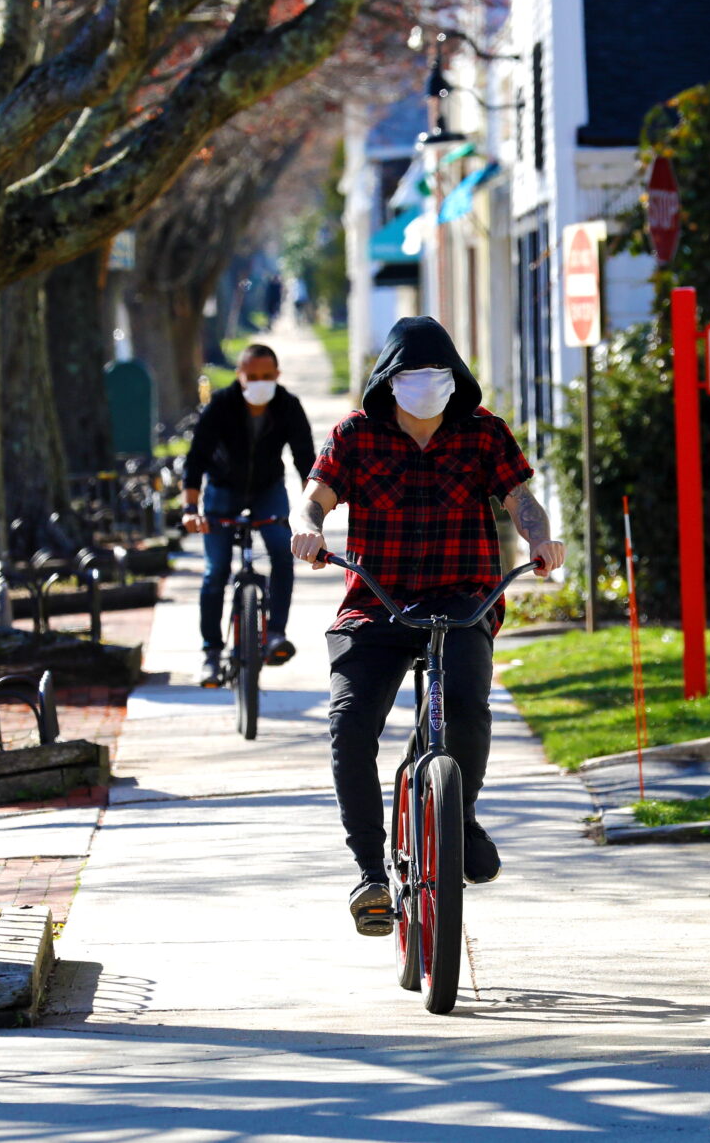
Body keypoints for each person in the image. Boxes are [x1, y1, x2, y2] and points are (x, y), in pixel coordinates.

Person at [291, 317, 565, 935]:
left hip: (462, 600)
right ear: (387, 382)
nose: (424, 387)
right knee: (349, 723)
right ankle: (370, 872)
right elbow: (316, 494)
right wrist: (305, 526)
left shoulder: (484, 434)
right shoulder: (356, 436)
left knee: (467, 709)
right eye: (410, 376)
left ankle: (456, 816)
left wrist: (544, 540)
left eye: (436, 376)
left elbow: (521, 499)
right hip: (376, 603)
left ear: (455, 381)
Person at [182, 343, 314, 688]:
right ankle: (211, 653)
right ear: (240, 376)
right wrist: (189, 509)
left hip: (268, 490)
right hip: (222, 490)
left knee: (283, 554)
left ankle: (274, 635)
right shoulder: (221, 405)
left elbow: (306, 460)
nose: (259, 382)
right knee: (216, 571)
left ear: (277, 376)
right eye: (252, 377)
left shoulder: (288, 406)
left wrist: (310, 509)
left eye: (266, 376)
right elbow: (196, 458)